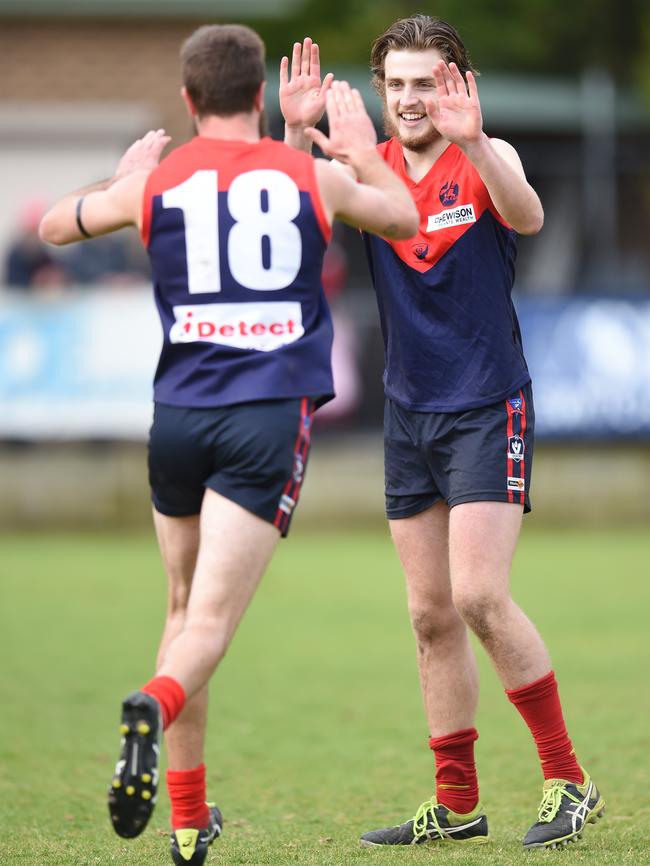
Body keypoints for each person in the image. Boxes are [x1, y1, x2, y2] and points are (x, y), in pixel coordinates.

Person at [39, 23, 418, 866]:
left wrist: (126, 178)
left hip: (176, 418)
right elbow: (402, 216)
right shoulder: (311, 176)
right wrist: (354, 146)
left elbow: (58, 230)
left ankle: (185, 824)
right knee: (206, 626)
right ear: (258, 94)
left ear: (186, 100)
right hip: (263, 419)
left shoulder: (161, 182)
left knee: (180, 612)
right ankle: (150, 703)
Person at [280, 16, 604, 851]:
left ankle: (570, 781)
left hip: (488, 404)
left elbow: (526, 217)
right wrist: (295, 131)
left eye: (426, 82)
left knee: (479, 598)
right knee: (429, 616)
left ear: (458, 83)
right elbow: (290, 212)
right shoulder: (370, 170)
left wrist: (481, 142)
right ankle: (457, 805)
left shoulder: (489, 158)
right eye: (396, 85)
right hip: (407, 413)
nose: (410, 99)